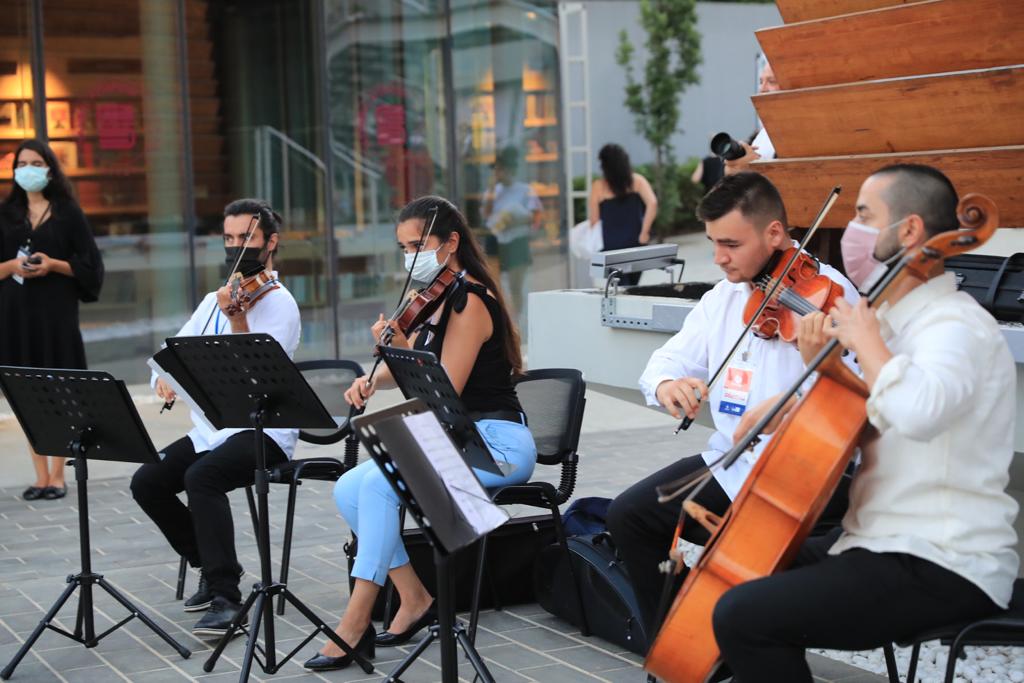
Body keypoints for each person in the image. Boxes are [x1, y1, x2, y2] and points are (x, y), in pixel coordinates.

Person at [711, 164, 1019, 682]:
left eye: (862, 215)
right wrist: (800, 392)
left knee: (744, 616)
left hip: (940, 558)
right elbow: (855, 424)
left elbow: (916, 413)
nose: (851, 231)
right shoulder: (898, 325)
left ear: (910, 231)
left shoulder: (956, 327)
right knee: (741, 564)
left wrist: (866, 341)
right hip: (879, 540)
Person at [605, 172, 859, 635]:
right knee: (629, 516)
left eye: (732, 244)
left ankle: (741, 642)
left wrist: (818, 365)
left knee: (750, 558)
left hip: (805, 476)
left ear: (775, 233)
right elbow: (665, 362)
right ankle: (679, 644)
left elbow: (859, 399)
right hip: (732, 463)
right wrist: (667, 385)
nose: (719, 257)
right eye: (712, 242)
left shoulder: (832, 298)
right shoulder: (723, 298)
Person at [304, 196, 537, 672]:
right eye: (404, 247)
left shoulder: (469, 300)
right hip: (453, 438)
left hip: (495, 443)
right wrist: (373, 376)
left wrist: (401, 349)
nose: (411, 256)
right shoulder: (430, 301)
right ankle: (413, 597)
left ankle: (355, 620)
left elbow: (442, 386)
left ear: (450, 243)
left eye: (419, 245)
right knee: (351, 487)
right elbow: (417, 371)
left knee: (379, 482)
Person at [129, 198, 300, 638]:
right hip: (212, 429)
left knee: (202, 478)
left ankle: (227, 597)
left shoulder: (280, 304)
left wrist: (238, 317)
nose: (236, 248)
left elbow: (260, 380)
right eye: (229, 239)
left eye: (246, 238)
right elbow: (167, 357)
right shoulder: (212, 300)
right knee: (147, 481)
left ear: (270, 243)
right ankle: (211, 561)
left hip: (263, 430)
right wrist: (162, 380)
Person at [0, 138, 104, 501]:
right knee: (27, 395)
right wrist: (12, 266)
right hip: (15, 319)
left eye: (35, 162)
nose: (28, 169)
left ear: (49, 168)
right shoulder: (6, 214)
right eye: (21, 162)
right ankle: (39, 475)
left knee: (60, 392)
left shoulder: (68, 213)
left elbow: (91, 266)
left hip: (55, 318)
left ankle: (58, 475)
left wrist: (53, 264)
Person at [482, 146, 542, 327]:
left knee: (516, 286)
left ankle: (516, 320)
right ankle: (501, 319)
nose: (498, 173)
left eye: (501, 169)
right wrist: (492, 190)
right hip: (496, 239)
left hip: (517, 240)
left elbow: (536, 215)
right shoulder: (493, 192)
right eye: (496, 170)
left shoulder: (524, 189)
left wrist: (517, 220)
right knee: (494, 284)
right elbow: (486, 214)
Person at [588, 143, 658, 286]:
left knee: (619, 289)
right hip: (636, 243)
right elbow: (653, 203)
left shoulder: (598, 187)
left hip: (610, 248)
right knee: (632, 285)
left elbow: (594, 220)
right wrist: (644, 232)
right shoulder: (637, 181)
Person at [724, 61, 780, 176]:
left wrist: (755, 168)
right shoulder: (761, 135)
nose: (762, 89)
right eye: (760, 82)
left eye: (771, 81)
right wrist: (732, 171)